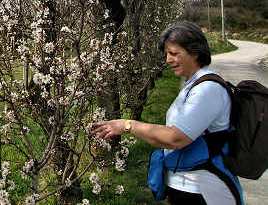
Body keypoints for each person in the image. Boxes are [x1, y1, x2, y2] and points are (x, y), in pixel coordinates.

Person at [91, 21, 241, 205]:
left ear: (195, 52)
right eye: (167, 54)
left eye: (174, 53)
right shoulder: (192, 85)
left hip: (204, 191)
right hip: (187, 187)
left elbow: (175, 138)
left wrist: (128, 125)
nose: (168, 59)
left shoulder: (207, 90)